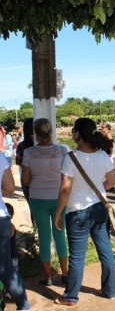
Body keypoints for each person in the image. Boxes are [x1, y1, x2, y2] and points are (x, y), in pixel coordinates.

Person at [54, 117, 115, 306]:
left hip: (77, 212)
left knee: (78, 256)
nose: (73, 134)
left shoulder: (71, 157)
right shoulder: (102, 155)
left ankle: (71, 297)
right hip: (99, 208)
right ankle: (109, 290)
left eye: (74, 131)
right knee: (106, 251)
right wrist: (97, 189)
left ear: (79, 134)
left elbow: (65, 189)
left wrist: (58, 213)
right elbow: (113, 181)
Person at [22, 118, 68, 286]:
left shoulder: (29, 153)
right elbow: (67, 176)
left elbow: (26, 180)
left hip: (38, 198)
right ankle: (65, 274)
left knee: (43, 236)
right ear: (51, 131)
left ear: (35, 133)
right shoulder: (63, 150)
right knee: (59, 234)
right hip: (58, 198)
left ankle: (48, 277)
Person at [0, 152, 30, 310]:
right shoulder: (0, 156)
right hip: (1, 218)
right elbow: (10, 187)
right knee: (6, 269)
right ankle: (23, 304)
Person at [4, 203, 18, 271]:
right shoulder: (11, 226)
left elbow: (8, 237)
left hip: (10, 256)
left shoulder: (11, 227)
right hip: (12, 255)